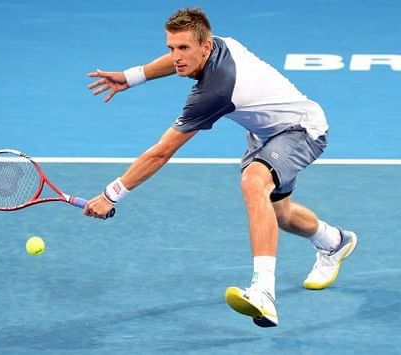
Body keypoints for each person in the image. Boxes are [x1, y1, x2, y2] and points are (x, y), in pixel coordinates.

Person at [84, 8, 357, 328]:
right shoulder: (219, 44)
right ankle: (334, 242)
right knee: (279, 216)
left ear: (206, 47)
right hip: (266, 134)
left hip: (301, 131)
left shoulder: (215, 91)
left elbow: (161, 153)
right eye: (171, 47)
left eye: (184, 48)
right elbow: (177, 61)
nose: (175, 57)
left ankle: (264, 292)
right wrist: (132, 76)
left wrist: (111, 194)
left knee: (253, 181)